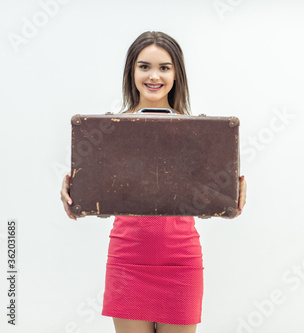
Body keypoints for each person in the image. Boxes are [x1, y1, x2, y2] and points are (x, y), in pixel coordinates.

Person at [60, 31, 247, 333]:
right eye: (144, 66)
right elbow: (96, 196)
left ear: (177, 74)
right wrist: (75, 193)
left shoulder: (196, 134)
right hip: (128, 258)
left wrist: (232, 195)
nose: (154, 76)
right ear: (131, 71)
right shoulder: (110, 132)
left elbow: (212, 197)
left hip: (181, 260)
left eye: (164, 67)